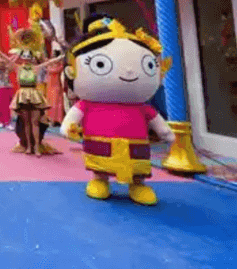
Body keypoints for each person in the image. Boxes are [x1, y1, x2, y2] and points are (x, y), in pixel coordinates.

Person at [60, 16, 175, 205]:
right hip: (100, 144)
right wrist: (67, 127)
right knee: (100, 163)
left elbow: (156, 120)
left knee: (137, 163)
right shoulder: (88, 104)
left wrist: (165, 131)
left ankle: (137, 184)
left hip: (135, 144)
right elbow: (73, 116)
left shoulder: (142, 107)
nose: (129, 72)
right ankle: (100, 180)